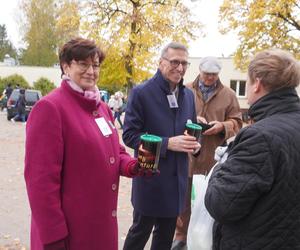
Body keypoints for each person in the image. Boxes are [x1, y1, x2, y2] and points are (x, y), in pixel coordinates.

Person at [24, 37, 145, 250]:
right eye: (83, 64)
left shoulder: (102, 108)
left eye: (96, 65)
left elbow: (115, 151)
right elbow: (41, 183)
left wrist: (134, 164)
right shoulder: (50, 108)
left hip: (100, 228)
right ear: (66, 66)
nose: (91, 71)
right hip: (71, 234)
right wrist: (53, 238)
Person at [205, 49, 300, 250]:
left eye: (246, 82)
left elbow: (221, 205)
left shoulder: (259, 137)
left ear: (257, 83)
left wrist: (221, 166)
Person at [122, 42, 201, 250]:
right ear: (161, 63)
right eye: (175, 62)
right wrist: (167, 144)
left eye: (185, 63)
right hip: (151, 178)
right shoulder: (142, 93)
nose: (180, 68)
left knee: (164, 239)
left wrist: (195, 146)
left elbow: (190, 129)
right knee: (139, 234)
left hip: (177, 182)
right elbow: (130, 136)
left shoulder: (188, 96)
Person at [172, 57, 242, 249]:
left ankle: (205, 239)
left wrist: (222, 126)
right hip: (187, 154)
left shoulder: (228, 94)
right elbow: (173, 116)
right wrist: (190, 119)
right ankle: (180, 237)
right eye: (206, 74)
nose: (210, 78)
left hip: (212, 157)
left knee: (208, 201)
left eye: (214, 74)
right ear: (199, 71)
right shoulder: (184, 90)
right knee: (184, 199)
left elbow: (237, 121)